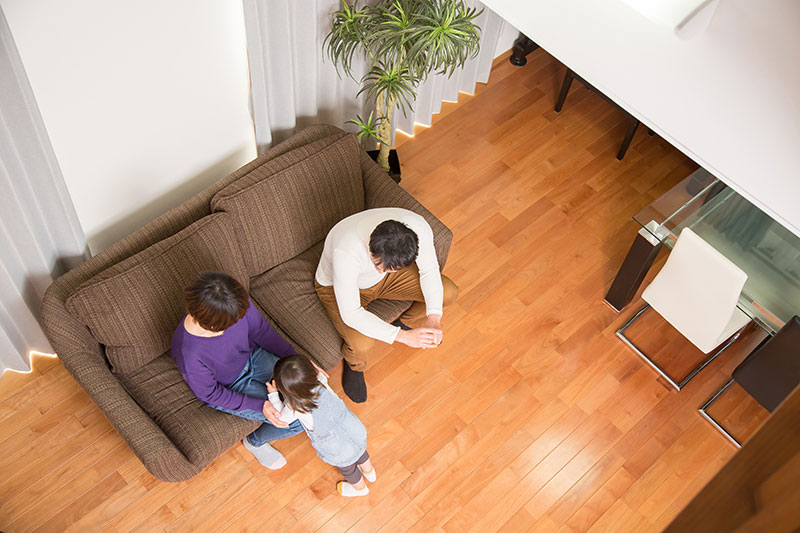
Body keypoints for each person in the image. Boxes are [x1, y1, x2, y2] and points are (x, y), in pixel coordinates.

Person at [315, 207, 458, 403]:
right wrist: (403, 337)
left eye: (390, 268)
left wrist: (434, 317)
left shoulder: (418, 227)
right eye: (377, 264)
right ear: (371, 247)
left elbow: (429, 272)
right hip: (337, 285)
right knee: (362, 345)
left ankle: (403, 321)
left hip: (384, 282)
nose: (382, 271)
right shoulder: (347, 249)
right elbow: (351, 313)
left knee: (449, 292)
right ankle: (355, 365)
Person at [171, 271, 303, 470]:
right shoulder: (189, 353)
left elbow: (261, 331)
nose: (235, 326)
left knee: (306, 396)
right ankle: (255, 442)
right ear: (209, 324)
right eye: (227, 327)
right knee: (294, 421)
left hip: (254, 356)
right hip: (230, 385)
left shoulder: (233, 302)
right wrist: (261, 406)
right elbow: (210, 393)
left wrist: (295, 360)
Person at [268, 354, 375, 497]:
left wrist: (274, 395)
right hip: (353, 429)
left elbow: (282, 419)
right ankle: (369, 472)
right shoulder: (321, 380)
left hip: (339, 448)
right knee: (361, 450)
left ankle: (360, 489)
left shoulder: (295, 407)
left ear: (286, 391)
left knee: (348, 469)